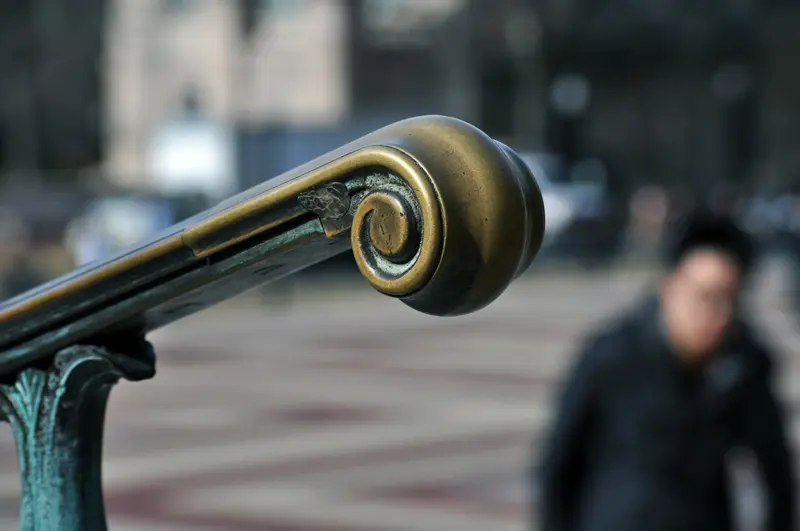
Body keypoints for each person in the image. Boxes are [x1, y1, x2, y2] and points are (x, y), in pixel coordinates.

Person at [536, 211, 796, 531]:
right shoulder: (611, 356)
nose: (717, 314)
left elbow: (776, 473)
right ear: (670, 287)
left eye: (730, 300)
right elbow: (559, 464)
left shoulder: (745, 368)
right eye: (705, 296)